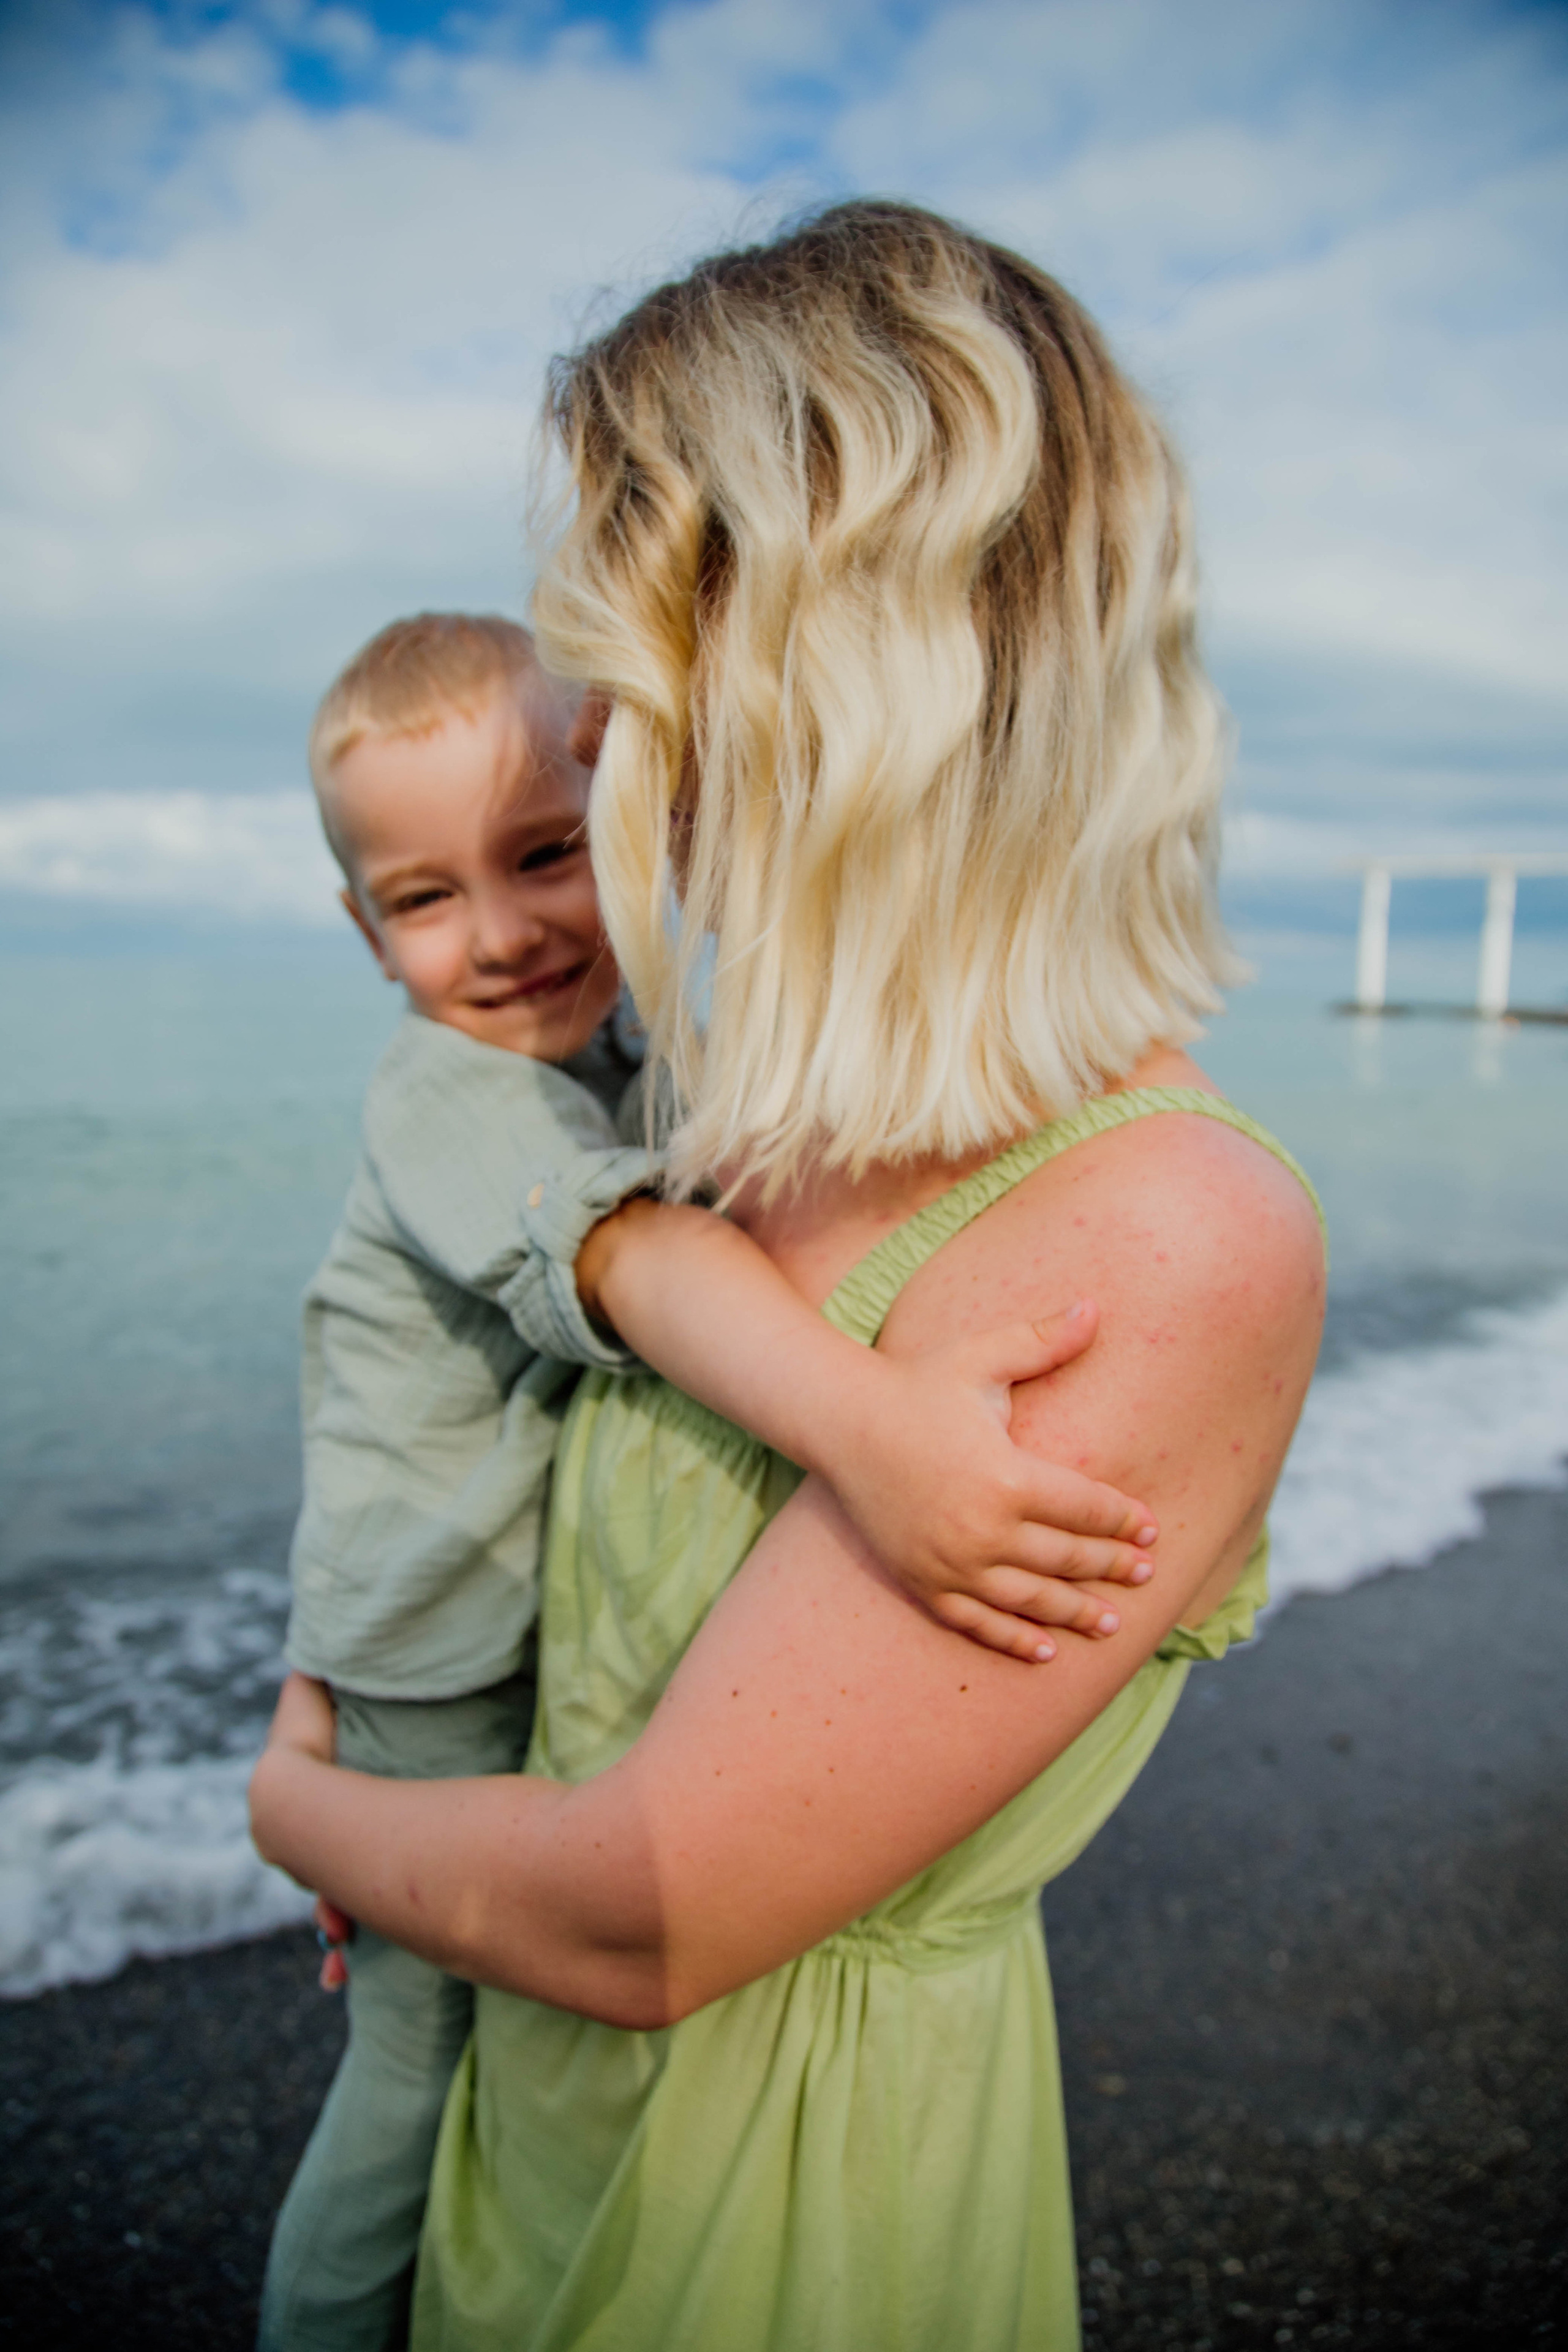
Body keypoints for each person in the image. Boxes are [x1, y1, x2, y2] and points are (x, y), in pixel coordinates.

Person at [251, 202, 1326, 2352]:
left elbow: (653, 1917)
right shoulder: (737, 1111)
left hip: (775, 2227)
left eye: (621, 673)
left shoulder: (1173, 1232)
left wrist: (297, 1806)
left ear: (831, 679)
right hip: (527, 2137)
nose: (594, 742)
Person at [259, 608, 1163, 2350]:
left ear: (625, 817)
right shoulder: (442, 1093)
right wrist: (871, 1427)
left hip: (513, 1616)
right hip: (434, 1634)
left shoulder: (627, 1061)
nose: (508, 933)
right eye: (429, 897)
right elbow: (637, 1264)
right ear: (363, 932)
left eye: (543, 855)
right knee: (416, 2045)